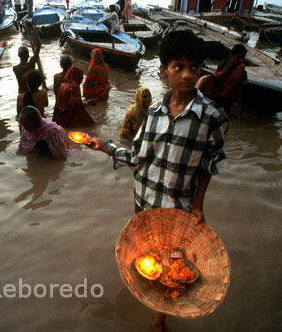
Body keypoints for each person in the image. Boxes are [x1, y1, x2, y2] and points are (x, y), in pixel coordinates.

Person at [86, 29, 228, 332]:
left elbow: (209, 165)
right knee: (149, 259)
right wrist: (105, 147)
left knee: (175, 263)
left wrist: (199, 205)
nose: (187, 75)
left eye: (194, 67)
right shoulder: (152, 113)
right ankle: (152, 300)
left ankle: (161, 316)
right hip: (144, 199)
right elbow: (138, 157)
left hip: (178, 207)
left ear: (201, 68)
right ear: (164, 70)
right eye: (178, 66)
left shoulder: (212, 116)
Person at [220, 43, 247, 118]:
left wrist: (240, 106)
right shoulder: (225, 64)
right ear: (232, 56)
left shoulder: (241, 67)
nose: (241, 60)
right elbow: (215, 80)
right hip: (218, 99)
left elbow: (240, 86)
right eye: (238, 57)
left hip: (229, 101)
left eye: (242, 58)